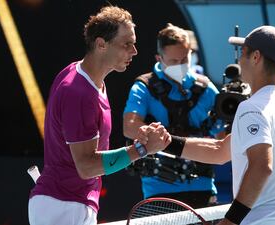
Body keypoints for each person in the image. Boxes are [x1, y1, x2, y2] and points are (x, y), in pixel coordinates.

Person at [140, 25, 275, 225]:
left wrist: (230, 221)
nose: (239, 61)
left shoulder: (252, 109)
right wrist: (166, 143)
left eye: (243, 53)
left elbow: (262, 166)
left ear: (256, 57)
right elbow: (220, 151)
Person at [28, 6, 170, 225]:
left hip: (67, 204)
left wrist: (138, 143)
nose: (134, 51)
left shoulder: (84, 78)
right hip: (63, 207)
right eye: (127, 44)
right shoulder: (78, 93)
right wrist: (141, 149)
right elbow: (86, 166)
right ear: (101, 44)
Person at [123, 23, 225, 208]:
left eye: (184, 60)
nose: (180, 65)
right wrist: (151, 133)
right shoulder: (144, 87)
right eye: (173, 61)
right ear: (159, 58)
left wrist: (222, 124)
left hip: (203, 187)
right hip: (159, 191)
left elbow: (222, 140)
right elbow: (129, 127)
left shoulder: (207, 88)